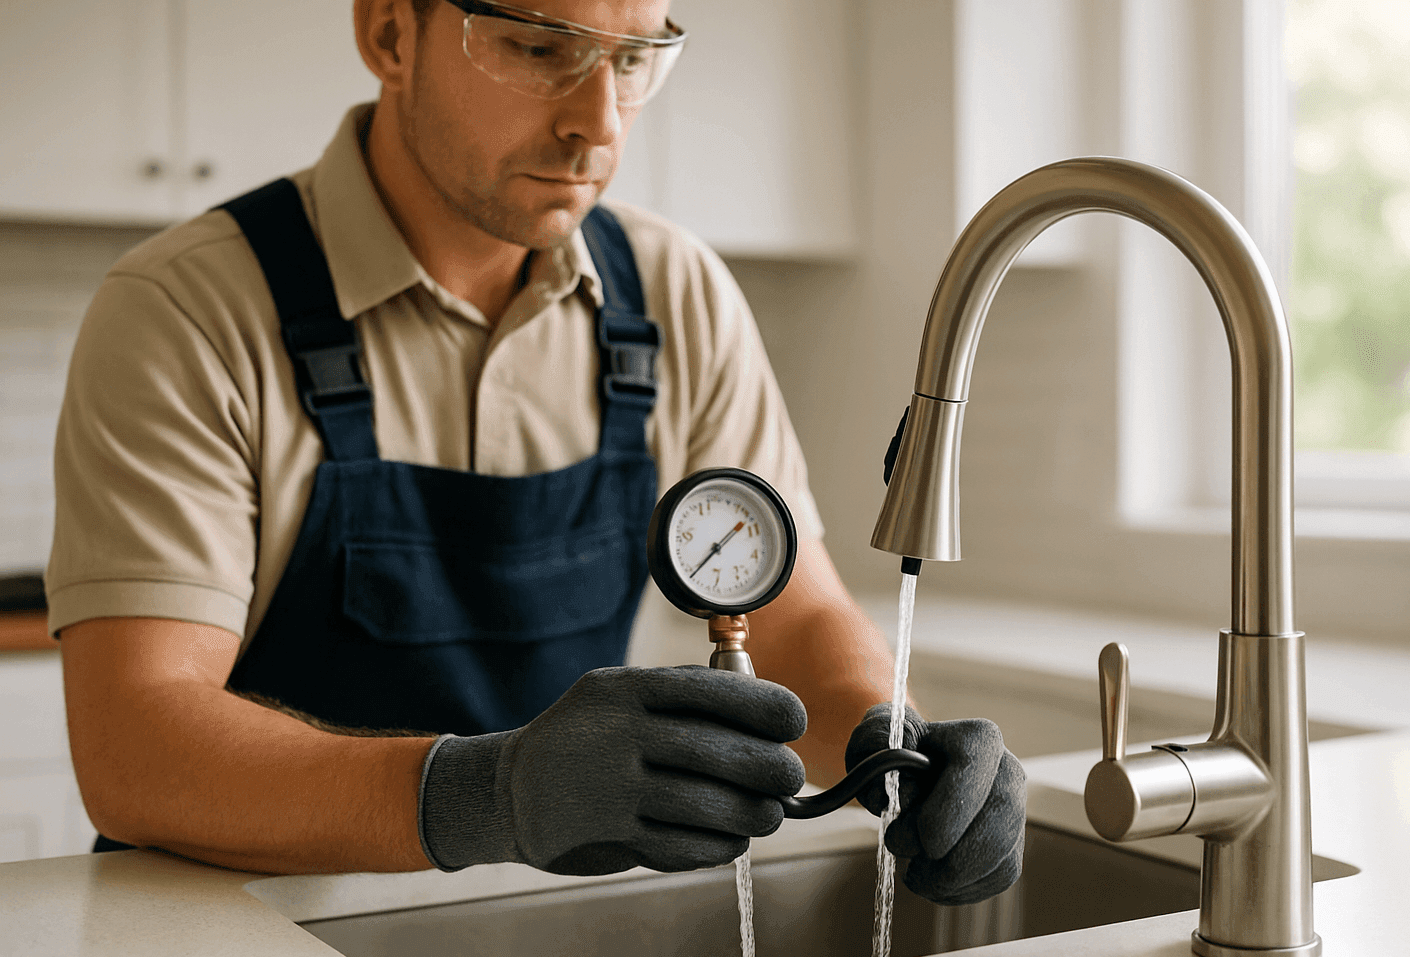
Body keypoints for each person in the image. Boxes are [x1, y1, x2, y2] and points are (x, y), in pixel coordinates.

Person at [48, 0, 1026, 902]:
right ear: (391, 34)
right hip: (235, 952)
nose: (598, 124)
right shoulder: (188, 311)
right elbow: (136, 748)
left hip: (523, 928)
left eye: (635, 60)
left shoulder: (673, 292)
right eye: (541, 48)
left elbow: (789, 608)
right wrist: (493, 791)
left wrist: (886, 741)